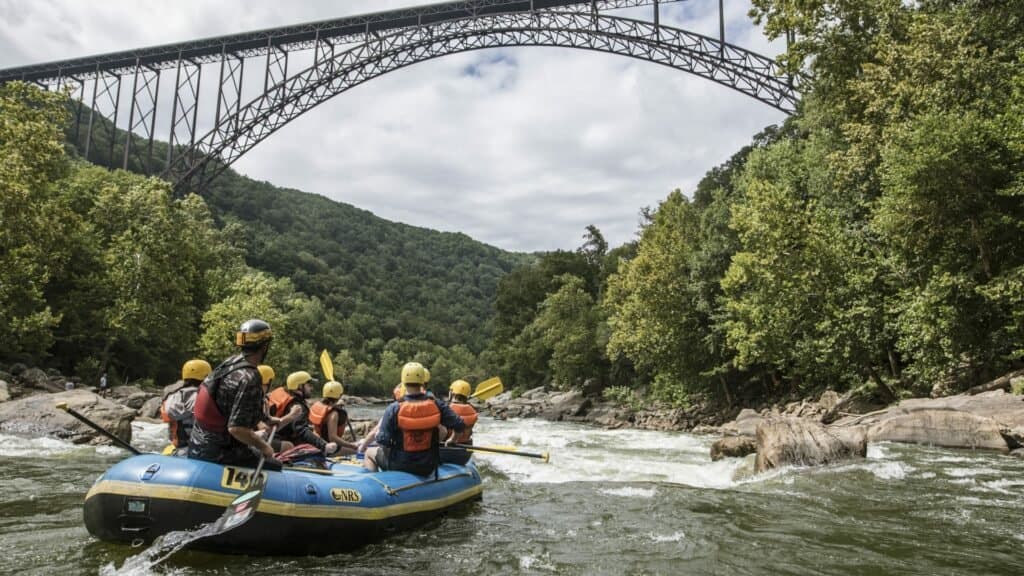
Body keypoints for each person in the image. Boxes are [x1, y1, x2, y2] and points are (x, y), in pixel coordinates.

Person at [188, 319, 282, 469]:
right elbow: (236, 429)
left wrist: (266, 418)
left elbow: (230, 403)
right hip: (220, 452)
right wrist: (264, 446)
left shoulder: (229, 363)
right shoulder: (250, 377)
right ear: (265, 346)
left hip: (197, 445)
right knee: (275, 465)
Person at [364, 362, 465, 476]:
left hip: (400, 465)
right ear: (422, 381)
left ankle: (377, 483)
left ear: (403, 381)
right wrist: (453, 439)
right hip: (428, 465)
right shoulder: (437, 404)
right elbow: (460, 425)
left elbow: (383, 441)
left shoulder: (394, 408)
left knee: (368, 453)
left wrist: (379, 436)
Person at [266, 371, 338, 456]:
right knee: (310, 449)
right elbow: (302, 430)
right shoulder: (297, 406)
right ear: (300, 386)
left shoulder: (284, 393)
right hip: (274, 438)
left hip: (273, 435)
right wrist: (324, 445)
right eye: (309, 385)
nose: (312, 388)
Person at [160, 359, 211, 456]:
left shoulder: (172, 396)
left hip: (177, 447)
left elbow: (167, 415)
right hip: (198, 450)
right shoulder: (201, 395)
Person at [309, 381, 358, 456]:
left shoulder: (317, 405)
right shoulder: (333, 414)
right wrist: (351, 445)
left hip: (315, 443)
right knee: (357, 451)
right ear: (339, 395)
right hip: (327, 448)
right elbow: (332, 438)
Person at [444, 379, 478, 446]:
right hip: (465, 444)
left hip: (447, 444)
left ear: (452, 393)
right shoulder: (472, 410)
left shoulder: (446, 409)